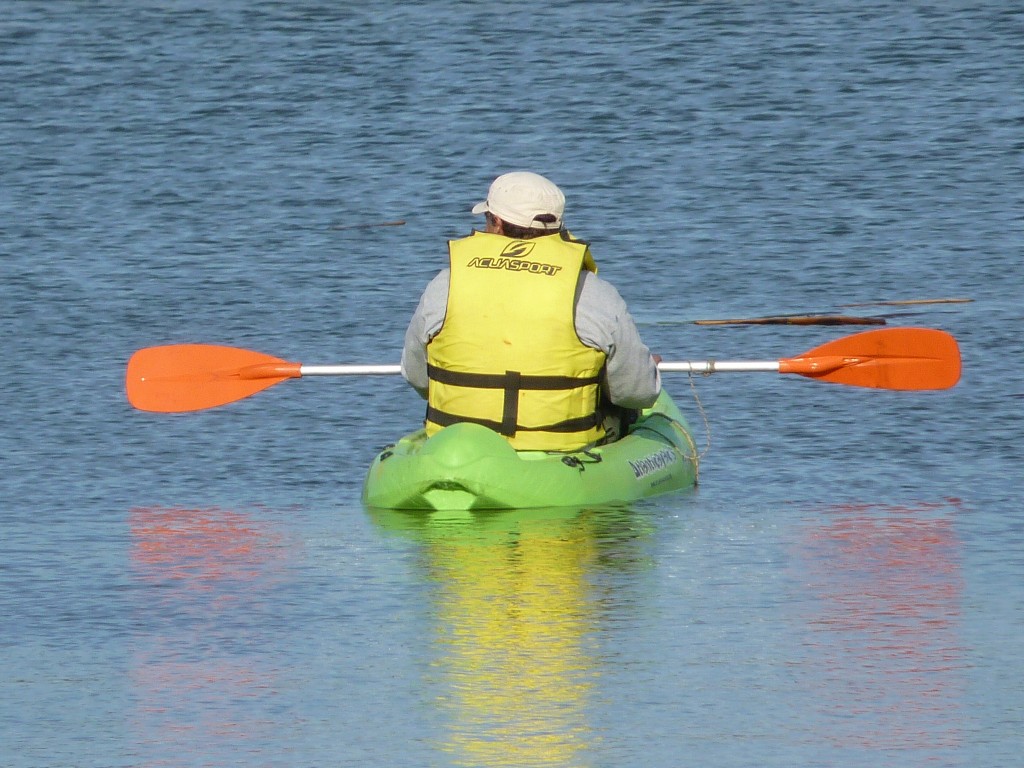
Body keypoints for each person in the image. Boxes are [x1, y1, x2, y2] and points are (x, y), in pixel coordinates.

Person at [400, 171, 661, 451]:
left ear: (497, 223)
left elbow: (416, 375)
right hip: (558, 458)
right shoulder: (595, 293)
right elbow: (638, 393)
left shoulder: (443, 285)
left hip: (457, 450)